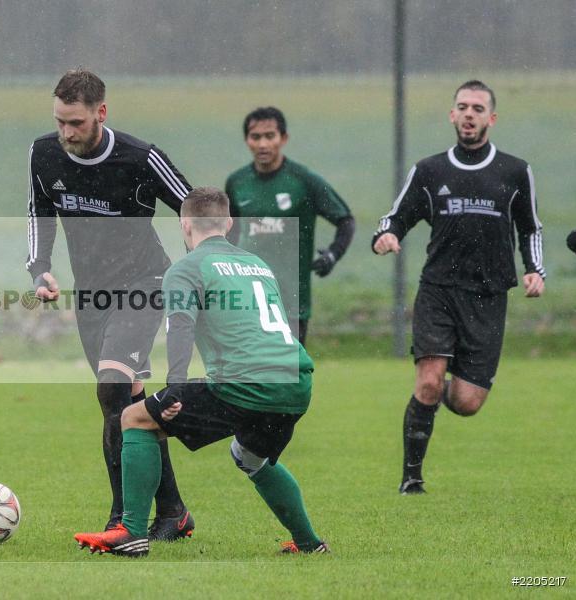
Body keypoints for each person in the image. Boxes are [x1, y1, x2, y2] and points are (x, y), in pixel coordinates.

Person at [73, 187, 328, 557]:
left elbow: (180, 327)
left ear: (184, 225)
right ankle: (308, 544)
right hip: (296, 379)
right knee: (250, 457)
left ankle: (130, 531)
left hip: (245, 381)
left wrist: (174, 388)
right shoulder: (257, 265)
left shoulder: (186, 268)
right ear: (227, 223)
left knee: (134, 417)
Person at [26, 69, 195, 539]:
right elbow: (38, 210)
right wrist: (39, 267)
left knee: (112, 390)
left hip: (146, 281)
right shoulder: (43, 153)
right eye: (60, 121)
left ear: (101, 113)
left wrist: (204, 268)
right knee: (128, 402)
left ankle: (123, 519)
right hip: (92, 294)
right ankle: (174, 512)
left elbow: (196, 209)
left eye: (75, 123)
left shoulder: (141, 158)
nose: (66, 133)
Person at [372, 80, 546, 495]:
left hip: (488, 296)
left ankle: (430, 399)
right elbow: (396, 217)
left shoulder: (515, 171)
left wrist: (535, 270)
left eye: (478, 108)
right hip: (438, 289)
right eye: (462, 107)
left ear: (492, 118)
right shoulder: (430, 170)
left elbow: (530, 227)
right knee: (429, 381)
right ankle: (411, 477)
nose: (469, 114)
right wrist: (386, 236)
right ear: (452, 115)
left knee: (467, 403)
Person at [226, 107, 355, 345]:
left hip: (292, 299)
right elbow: (230, 233)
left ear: (283, 139)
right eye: (256, 137)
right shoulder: (237, 183)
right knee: (250, 375)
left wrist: (333, 254)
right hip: (248, 297)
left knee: (288, 377)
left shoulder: (303, 180)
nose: (263, 144)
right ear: (247, 140)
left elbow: (345, 220)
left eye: (270, 136)